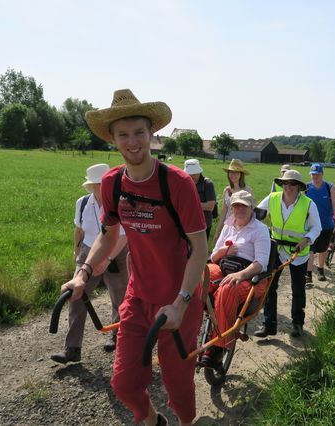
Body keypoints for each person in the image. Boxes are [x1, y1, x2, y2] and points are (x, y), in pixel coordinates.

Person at [62, 89, 208, 426]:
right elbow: (108, 235)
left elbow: (200, 250)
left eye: (139, 132)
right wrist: (83, 273)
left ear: (151, 135)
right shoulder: (112, 183)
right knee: (124, 384)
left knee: (178, 387)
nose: (132, 142)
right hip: (138, 298)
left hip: (179, 302)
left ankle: (186, 423)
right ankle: (152, 419)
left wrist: (182, 302)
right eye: (123, 135)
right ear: (112, 139)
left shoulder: (177, 183)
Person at [51, 164, 129, 364]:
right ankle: (72, 348)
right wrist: (78, 252)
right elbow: (79, 230)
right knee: (77, 295)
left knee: (120, 297)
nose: (102, 188)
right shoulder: (83, 203)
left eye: (105, 184)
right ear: (91, 186)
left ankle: (118, 338)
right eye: (98, 185)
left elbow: (124, 236)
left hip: (118, 252)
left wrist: (108, 258)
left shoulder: (121, 202)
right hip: (88, 250)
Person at [202, 190, 271, 366]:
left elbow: (260, 263)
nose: (239, 209)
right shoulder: (228, 226)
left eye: (243, 206)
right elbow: (214, 257)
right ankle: (188, 328)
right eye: (236, 206)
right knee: (199, 277)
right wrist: (224, 252)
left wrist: (240, 275)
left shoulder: (260, 230)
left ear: (252, 208)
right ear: (232, 208)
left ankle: (219, 347)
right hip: (223, 265)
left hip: (249, 274)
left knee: (227, 288)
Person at [254, 169, 321, 338]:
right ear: (281, 184)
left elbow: (316, 228)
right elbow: (255, 215)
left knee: (298, 288)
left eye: (292, 184)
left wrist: (306, 240)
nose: (288, 187)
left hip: (299, 252)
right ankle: (269, 325)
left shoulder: (308, 204)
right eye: (285, 183)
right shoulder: (273, 198)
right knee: (270, 286)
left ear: (299, 187)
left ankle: (297, 323)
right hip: (276, 249)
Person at [305, 163, 335, 284]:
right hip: (310, 226)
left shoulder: (329, 187)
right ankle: (308, 274)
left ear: (322, 174)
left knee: (323, 249)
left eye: (317, 174)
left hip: (326, 225)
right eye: (313, 174)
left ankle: (320, 270)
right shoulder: (306, 188)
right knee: (310, 250)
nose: (315, 177)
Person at [212, 159, 253, 246]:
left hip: (242, 228)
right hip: (228, 227)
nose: (233, 175)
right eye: (230, 172)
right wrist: (218, 231)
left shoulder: (248, 190)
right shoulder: (226, 190)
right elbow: (224, 212)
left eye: (236, 172)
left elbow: (251, 213)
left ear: (241, 174)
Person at [184, 159, 216, 239]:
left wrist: (190, 205)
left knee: (201, 250)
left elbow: (210, 206)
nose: (191, 176)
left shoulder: (207, 184)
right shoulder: (185, 183)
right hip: (188, 222)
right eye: (189, 174)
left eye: (193, 174)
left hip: (203, 223)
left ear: (199, 172)